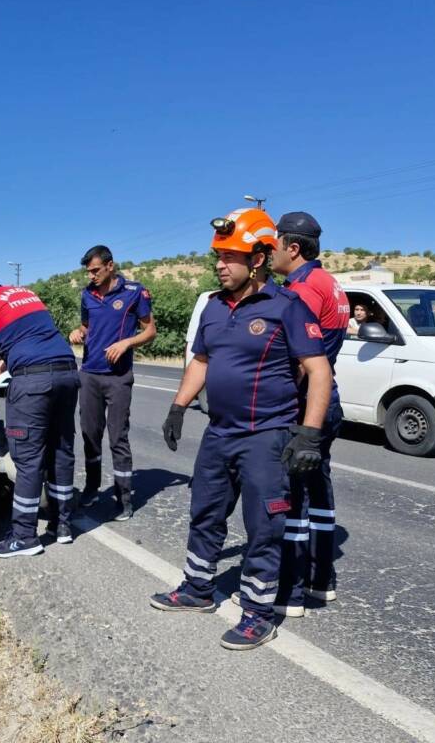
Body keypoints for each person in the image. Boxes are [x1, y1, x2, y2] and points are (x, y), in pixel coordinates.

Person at [150, 208, 333, 650]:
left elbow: (319, 370)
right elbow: (201, 360)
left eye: (229, 256)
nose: (219, 264)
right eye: (217, 256)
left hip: (266, 436)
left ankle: (257, 612)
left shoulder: (287, 306)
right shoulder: (213, 307)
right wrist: (178, 405)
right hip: (219, 432)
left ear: (257, 259)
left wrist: (308, 434)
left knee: (263, 525)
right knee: (205, 511)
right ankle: (196, 589)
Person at [0, 266, 80, 556]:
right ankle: (61, 525)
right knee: (60, 451)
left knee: (27, 458)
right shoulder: (26, 294)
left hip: (33, 382)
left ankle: (24, 537)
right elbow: (27, 338)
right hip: (67, 372)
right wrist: (3, 363)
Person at [270, 211, 350, 614]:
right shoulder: (331, 283)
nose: (270, 253)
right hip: (329, 397)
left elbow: (303, 359)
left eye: (274, 245)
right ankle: (321, 578)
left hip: (306, 404)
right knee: (319, 488)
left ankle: (291, 590)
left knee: (294, 493)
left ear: (293, 247)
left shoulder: (301, 289)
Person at [69, 245, 156, 521]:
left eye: (96, 270)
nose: (92, 275)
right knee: (90, 437)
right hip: (90, 375)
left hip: (118, 378)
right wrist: (77, 332)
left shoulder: (134, 292)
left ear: (110, 266)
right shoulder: (87, 294)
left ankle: (124, 498)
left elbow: (150, 330)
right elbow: (86, 327)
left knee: (118, 437)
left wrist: (127, 342)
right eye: (88, 271)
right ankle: (92, 488)